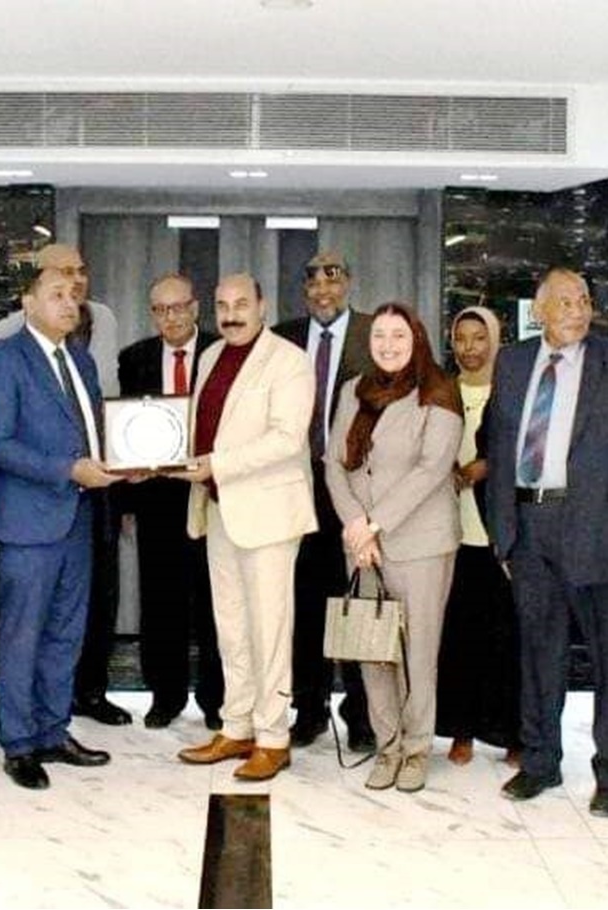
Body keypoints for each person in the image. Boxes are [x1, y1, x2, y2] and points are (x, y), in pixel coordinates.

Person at [483, 267, 608, 818]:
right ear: (538, 310)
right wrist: (503, 535)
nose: (578, 310)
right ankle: (540, 760)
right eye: (564, 302)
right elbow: (498, 449)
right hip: (528, 527)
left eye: (583, 300)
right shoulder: (513, 363)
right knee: (539, 653)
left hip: (598, 532)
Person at [0, 265, 119, 789]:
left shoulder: (80, 358)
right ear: (27, 302)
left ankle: (53, 731)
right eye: (55, 294)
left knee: (64, 633)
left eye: (74, 294)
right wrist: (67, 470)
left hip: (78, 518)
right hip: (28, 523)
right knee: (22, 637)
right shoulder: (3, 360)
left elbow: (94, 431)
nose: (69, 302)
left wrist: (125, 459)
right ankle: (19, 743)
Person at [175, 273, 317, 782]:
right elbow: (200, 429)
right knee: (231, 626)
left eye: (241, 304)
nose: (231, 314)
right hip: (219, 509)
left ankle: (273, 738)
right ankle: (237, 727)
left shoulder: (289, 361)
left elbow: (286, 438)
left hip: (269, 516)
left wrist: (216, 464)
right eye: (222, 305)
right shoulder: (211, 356)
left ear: (262, 306)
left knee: (269, 629)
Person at [325, 302, 463, 792]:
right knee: (373, 649)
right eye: (380, 336)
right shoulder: (353, 390)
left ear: (416, 339)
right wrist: (355, 524)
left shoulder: (438, 390)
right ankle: (388, 747)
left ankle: (417, 748)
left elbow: (432, 469)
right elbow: (333, 462)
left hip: (420, 542)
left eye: (398, 335)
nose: (388, 345)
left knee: (417, 653)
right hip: (363, 545)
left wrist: (374, 525)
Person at [272, 250, 375, 749]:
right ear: (304, 291)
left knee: (356, 598)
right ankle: (309, 708)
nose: (323, 294)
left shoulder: (374, 334)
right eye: (313, 286)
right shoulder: (283, 337)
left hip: (355, 487)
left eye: (332, 284)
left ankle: (361, 713)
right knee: (306, 602)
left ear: (348, 284)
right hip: (297, 486)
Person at [117, 274, 223, 730]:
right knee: (161, 600)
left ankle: (218, 700)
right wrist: (126, 495)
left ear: (195, 308)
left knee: (216, 602)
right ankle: (165, 695)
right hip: (157, 498)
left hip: (213, 495)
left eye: (179, 307)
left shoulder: (222, 352)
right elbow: (124, 428)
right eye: (161, 309)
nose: (171, 317)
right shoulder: (134, 358)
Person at [435, 306, 522, 766]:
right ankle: (461, 731)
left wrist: (487, 466)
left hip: (500, 534)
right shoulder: (440, 390)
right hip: (452, 532)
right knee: (458, 638)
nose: (470, 348)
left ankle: (512, 734)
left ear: (495, 340)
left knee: (507, 639)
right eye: (461, 338)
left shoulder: (513, 389)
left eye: (479, 337)